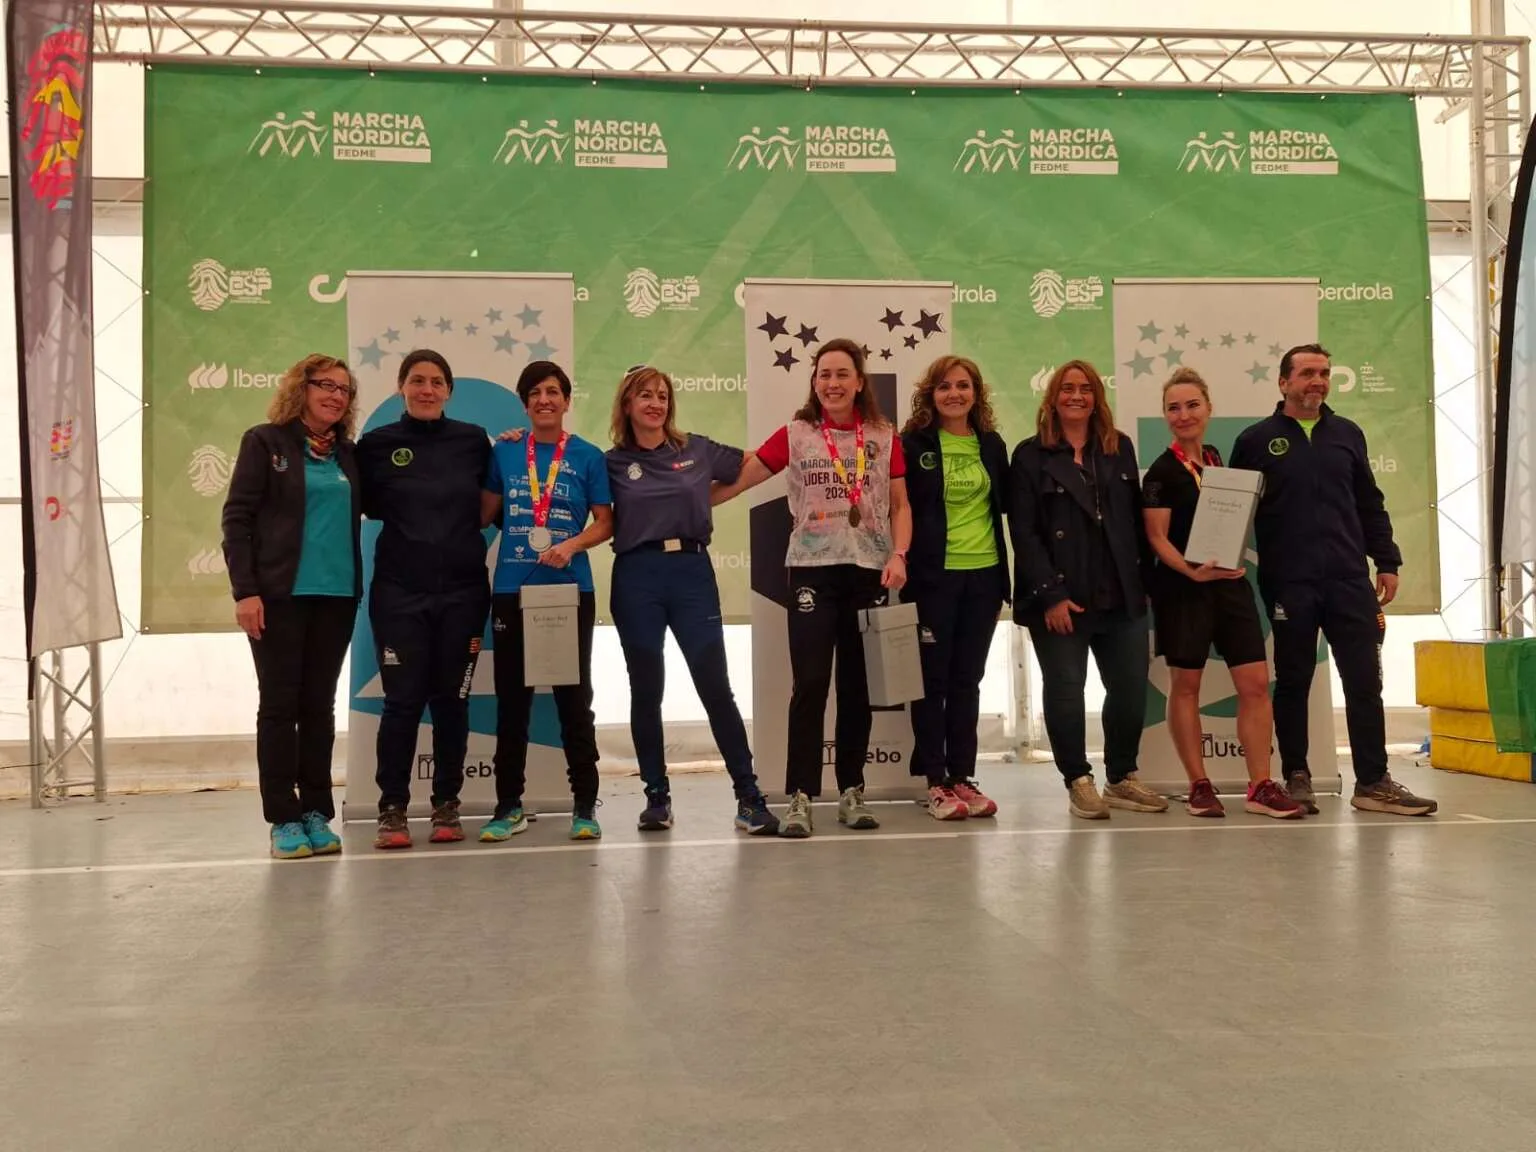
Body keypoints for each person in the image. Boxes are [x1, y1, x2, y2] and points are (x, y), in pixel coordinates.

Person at [1230, 344, 1437, 816]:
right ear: (1284, 382)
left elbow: (1369, 502)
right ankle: (1297, 776)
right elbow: (1234, 509)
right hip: (1290, 583)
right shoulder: (1256, 440)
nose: (1317, 381)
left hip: (1348, 580)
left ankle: (1373, 782)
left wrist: (1387, 560)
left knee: (1364, 681)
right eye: (1307, 373)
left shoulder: (1347, 434)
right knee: (1293, 681)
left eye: (1323, 373)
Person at [725, 338, 912, 838]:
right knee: (810, 684)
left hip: (867, 570)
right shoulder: (798, 433)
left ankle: (852, 790)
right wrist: (685, 500)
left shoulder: (883, 435)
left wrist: (899, 554)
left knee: (858, 686)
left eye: (842, 374)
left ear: (859, 381)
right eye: (824, 374)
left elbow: (900, 505)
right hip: (811, 571)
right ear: (814, 382)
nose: (832, 383)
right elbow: (743, 478)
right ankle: (801, 795)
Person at [602, 366, 779, 835]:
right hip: (637, 577)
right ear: (627, 404)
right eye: (645, 395)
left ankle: (749, 797)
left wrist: (709, 498)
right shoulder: (611, 462)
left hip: (691, 575)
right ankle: (656, 797)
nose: (656, 403)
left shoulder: (696, 449)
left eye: (663, 395)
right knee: (646, 689)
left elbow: (752, 464)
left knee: (715, 686)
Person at [1140, 368, 1303, 819]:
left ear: (1209, 408)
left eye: (1192, 405)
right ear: (1165, 416)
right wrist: (1190, 572)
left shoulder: (1217, 461)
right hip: (1184, 591)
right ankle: (1198, 785)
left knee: (1255, 685)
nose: (1184, 414)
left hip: (1230, 586)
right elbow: (1156, 538)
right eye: (1174, 408)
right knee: (1186, 686)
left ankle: (1260, 785)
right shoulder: (1160, 473)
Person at [1009, 360, 1167, 821]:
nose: (1076, 396)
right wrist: (1051, 595)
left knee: (1130, 690)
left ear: (1097, 398)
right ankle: (1078, 781)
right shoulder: (1030, 455)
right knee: (1065, 690)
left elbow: (1134, 523)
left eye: (1085, 389)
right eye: (1067, 388)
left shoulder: (1119, 447)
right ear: (1053, 397)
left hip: (1120, 593)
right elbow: (1024, 533)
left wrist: (1145, 586)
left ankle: (1121, 777)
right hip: (1062, 598)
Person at [222, 354, 363, 859]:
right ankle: (283, 816)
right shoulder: (266, 442)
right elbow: (237, 519)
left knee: (318, 707)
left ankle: (316, 812)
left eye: (344, 389)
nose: (335, 395)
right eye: (325, 385)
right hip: (279, 597)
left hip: (337, 597)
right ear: (300, 388)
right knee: (280, 706)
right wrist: (245, 592)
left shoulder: (349, 454)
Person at [355, 349, 492, 850]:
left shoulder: (474, 441)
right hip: (399, 593)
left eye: (436, 381)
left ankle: (446, 805)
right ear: (401, 387)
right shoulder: (376, 445)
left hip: (463, 592)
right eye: (417, 380)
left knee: (452, 701)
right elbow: (362, 504)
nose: (427, 389)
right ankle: (391, 809)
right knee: (402, 702)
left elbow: (497, 495)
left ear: (449, 390)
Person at [478, 361, 611, 843]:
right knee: (512, 702)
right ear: (525, 403)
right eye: (534, 392)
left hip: (569, 590)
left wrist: (571, 545)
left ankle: (585, 806)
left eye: (553, 391)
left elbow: (606, 522)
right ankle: (508, 806)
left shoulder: (588, 456)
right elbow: (484, 514)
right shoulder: (506, 451)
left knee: (574, 701)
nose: (544, 400)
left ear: (567, 401)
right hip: (512, 590)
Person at [899, 355, 1010, 820]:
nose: (954, 394)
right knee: (932, 682)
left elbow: (1005, 508)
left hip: (984, 577)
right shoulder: (913, 444)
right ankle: (935, 782)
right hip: (932, 580)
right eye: (944, 386)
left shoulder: (991, 444)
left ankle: (963, 775)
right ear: (931, 394)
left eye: (963, 386)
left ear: (976, 394)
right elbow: (898, 507)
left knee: (968, 679)